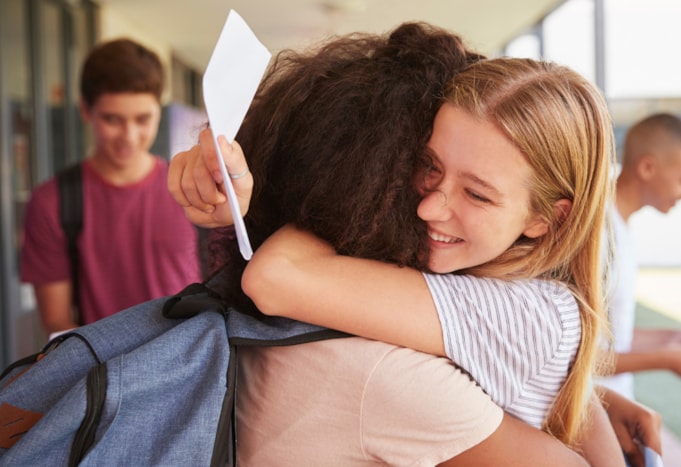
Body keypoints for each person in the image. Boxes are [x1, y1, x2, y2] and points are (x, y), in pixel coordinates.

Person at [171, 23, 652, 466]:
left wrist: (320, 185)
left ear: (547, 218)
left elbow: (278, 278)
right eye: (426, 166)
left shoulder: (524, 316)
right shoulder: (504, 290)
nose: (428, 208)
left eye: (478, 193)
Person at [20, 38, 203, 335]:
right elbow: (56, 322)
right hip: (101, 371)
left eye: (142, 119)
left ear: (158, 110)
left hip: (187, 367)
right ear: (85, 110)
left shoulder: (190, 190)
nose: (129, 136)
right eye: (112, 119)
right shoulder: (53, 202)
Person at [600, 112, 681, 464]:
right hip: (597, 421)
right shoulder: (599, 236)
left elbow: (605, 335)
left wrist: (671, 338)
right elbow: (572, 358)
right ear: (647, 167)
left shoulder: (621, 226)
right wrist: (666, 358)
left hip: (612, 414)